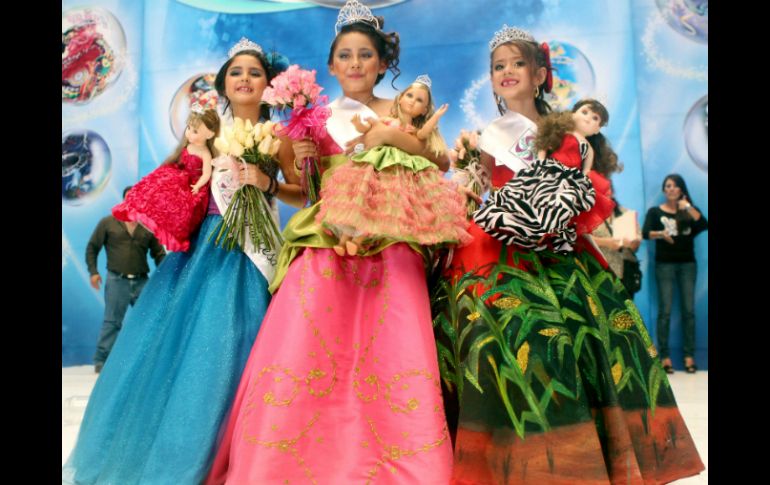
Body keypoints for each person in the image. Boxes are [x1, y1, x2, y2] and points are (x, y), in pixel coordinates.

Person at [432, 24, 704, 484]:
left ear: (540, 74)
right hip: (490, 259)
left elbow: (562, 206)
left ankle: (576, 460)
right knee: (498, 358)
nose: (507, 72)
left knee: (563, 353)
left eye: (518, 63)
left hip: (557, 260)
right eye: (498, 66)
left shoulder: (563, 134)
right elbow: (478, 196)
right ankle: (507, 461)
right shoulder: (483, 137)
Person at [205, 2, 453, 483]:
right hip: (325, 237)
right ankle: (287, 461)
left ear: (383, 64)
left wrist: (392, 138)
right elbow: (308, 194)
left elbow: (437, 164)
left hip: (391, 238)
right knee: (306, 343)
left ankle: (396, 462)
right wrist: (298, 165)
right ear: (331, 65)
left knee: (391, 350)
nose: (356, 63)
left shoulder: (403, 110)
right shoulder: (314, 119)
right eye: (346, 55)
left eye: (366, 54)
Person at [62, 37, 303, 485]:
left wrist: (266, 182)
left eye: (255, 72)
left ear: (270, 84)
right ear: (223, 85)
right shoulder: (208, 128)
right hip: (206, 250)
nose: (245, 79)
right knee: (191, 347)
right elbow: (178, 173)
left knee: (247, 346)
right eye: (236, 72)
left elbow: (302, 192)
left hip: (254, 253)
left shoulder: (282, 137)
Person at [317, 74, 469, 256]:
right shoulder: (386, 121)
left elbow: (424, 135)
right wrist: (359, 124)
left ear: (424, 110)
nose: (412, 102)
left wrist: (436, 116)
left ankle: (357, 241)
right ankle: (343, 241)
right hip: (377, 165)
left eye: (419, 100)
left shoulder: (412, 131)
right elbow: (369, 128)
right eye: (410, 96)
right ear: (401, 98)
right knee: (361, 200)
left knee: (382, 207)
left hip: (396, 172)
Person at [474, 98, 617, 253]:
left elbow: (586, 171)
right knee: (527, 196)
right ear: (573, 113)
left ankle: (546, 231)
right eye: (585, 112)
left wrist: (583, 184)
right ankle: (514, 222)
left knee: (561, 204)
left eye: (595, 118)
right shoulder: (562, 133)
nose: (588, 118)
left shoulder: (588, 149)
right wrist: (540, 162)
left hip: (569, 181)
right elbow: (543, 146)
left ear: (597, 129)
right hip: (548, 171)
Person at [112, 106, 219, 252]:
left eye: (195, 131)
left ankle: (170, 228)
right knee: (159, 186)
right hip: (181, 176)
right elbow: (180, 162)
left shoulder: (205, 153)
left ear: (210, 134)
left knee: (181, 209)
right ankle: (146, 210)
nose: (189, 133)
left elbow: (206, 174)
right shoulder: (188, 145)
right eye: (189, 128)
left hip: (193, 184)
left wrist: (198, 186)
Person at [85, 185, 166, 373]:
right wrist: (93, 272)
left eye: (137, 198)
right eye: (130, 198)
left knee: (148, 320)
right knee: (112, 322)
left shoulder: (148, 225)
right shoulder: (108, 222)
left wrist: (167, 276)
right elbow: (92, 247)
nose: (133, 201)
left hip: (141, 281)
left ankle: (147, 360)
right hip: (117, 280)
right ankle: (101, 360)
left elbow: (158, 254)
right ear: (124, 201)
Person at [642, 174, 707, 374]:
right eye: (668, 186)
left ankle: (689, 357)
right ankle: (665, 357)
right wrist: (661, 234)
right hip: (665, 265)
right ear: (664, 190)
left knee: (688, 311)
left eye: (675, 186)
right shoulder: (655, 212)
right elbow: (645, 233)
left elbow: (703, 224)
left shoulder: (688, 212)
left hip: (687, 264)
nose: (671, 189)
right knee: (665, 311)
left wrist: (686, 206)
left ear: (681, 190)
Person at [591, 184, 643, 298]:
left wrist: (634, 242)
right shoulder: (588, 214)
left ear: (613, 192)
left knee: (625, 313)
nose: (605, 193)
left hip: (624, 272)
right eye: (601, 190)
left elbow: (637, 241)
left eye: (608, 189)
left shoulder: (625, 213)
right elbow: (580, 237)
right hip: (598, 271)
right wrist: (606, 242)